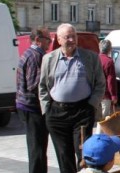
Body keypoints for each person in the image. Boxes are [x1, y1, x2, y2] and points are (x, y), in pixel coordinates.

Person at [38, 23, 105, 173]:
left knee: (83, 152)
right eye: (67, 37)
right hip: (56, 114)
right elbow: (42, 86)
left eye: (73, 36)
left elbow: (100, 84)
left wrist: (91, 105)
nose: (71, 40)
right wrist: (46, 110)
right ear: (59, 39)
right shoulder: (48, 59)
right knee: (63, 154)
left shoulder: (90, 57)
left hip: (82, 112)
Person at [16, 27, 50, 173]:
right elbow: (33, 85)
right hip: (32, 108)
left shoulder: (30, 53)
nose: (50, 42)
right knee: (37, 148)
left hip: (27, 106)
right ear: (38, 40)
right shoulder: (36, 56)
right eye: (48, 39)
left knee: (38, 147)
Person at [98, 40, 117, 119]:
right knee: (104, 120)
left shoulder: (94, 59)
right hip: (105, 95)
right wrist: (113, 96)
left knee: (96, 119)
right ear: (110, 49)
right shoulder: (109, 61)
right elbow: (110, 80)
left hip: (93, 94)